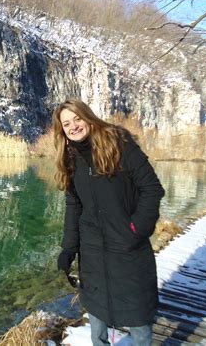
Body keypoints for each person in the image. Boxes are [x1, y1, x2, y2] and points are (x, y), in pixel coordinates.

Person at [53, 99, 165, 346]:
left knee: (138, 319)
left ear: (88, 117)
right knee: (96, 315)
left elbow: (152, 188)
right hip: (92, 251)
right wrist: (69, 248)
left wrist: (137, 229)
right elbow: (74, 206)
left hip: (128, 248)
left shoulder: (120, 145)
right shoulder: (70, 159)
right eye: (66, 124)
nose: (73, 127)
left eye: (77, 119)